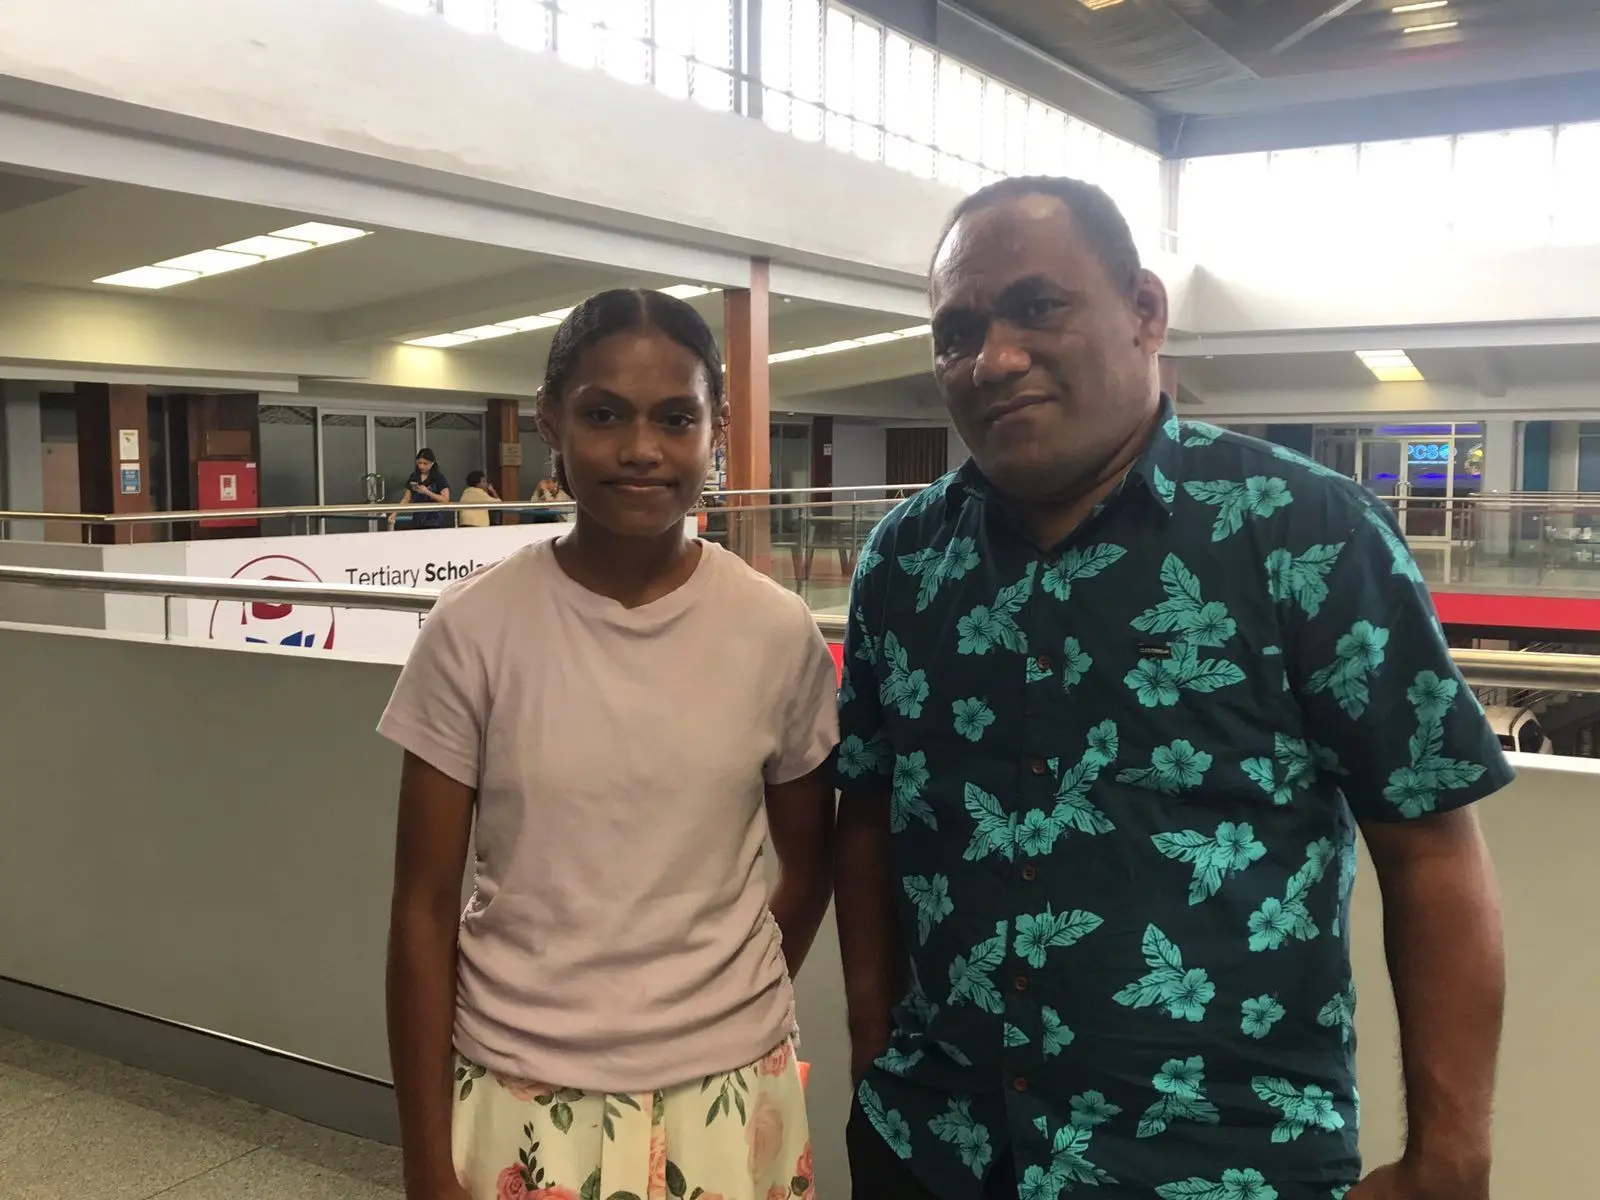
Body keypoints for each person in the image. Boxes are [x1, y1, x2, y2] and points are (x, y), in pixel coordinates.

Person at [833, 176, 1510, 1200]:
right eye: (957, 330)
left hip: (1223, 1162)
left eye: (1036, 307)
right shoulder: (905, 562)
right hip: (941, 1152)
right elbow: (871, 813)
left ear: (1145, 312)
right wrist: (874, 1047)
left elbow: (1428, 847)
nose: (993, 357)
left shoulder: (1304, 534)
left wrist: (1450, 1156)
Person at [381, 288, 838, 1200]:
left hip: (730, 1089)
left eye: (676, 418)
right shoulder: (473, 630)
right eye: (603, 415)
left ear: (718, 428)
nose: (641, 450)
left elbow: (813, 864)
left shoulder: (776, 631)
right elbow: (422, 906)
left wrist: (716, 1001)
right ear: (551, 421)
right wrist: (427, 1158)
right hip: (520, 1089)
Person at [392, 448, 451, 530]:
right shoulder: (414, 476)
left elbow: (445, 500)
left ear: (432, 463)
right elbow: (406, 499)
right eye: (419, 463)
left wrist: (427, 492)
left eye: (425, 463)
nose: (421, 466)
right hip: (417, 520)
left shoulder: (439, 478)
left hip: (434, 521)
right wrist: (394, 513)